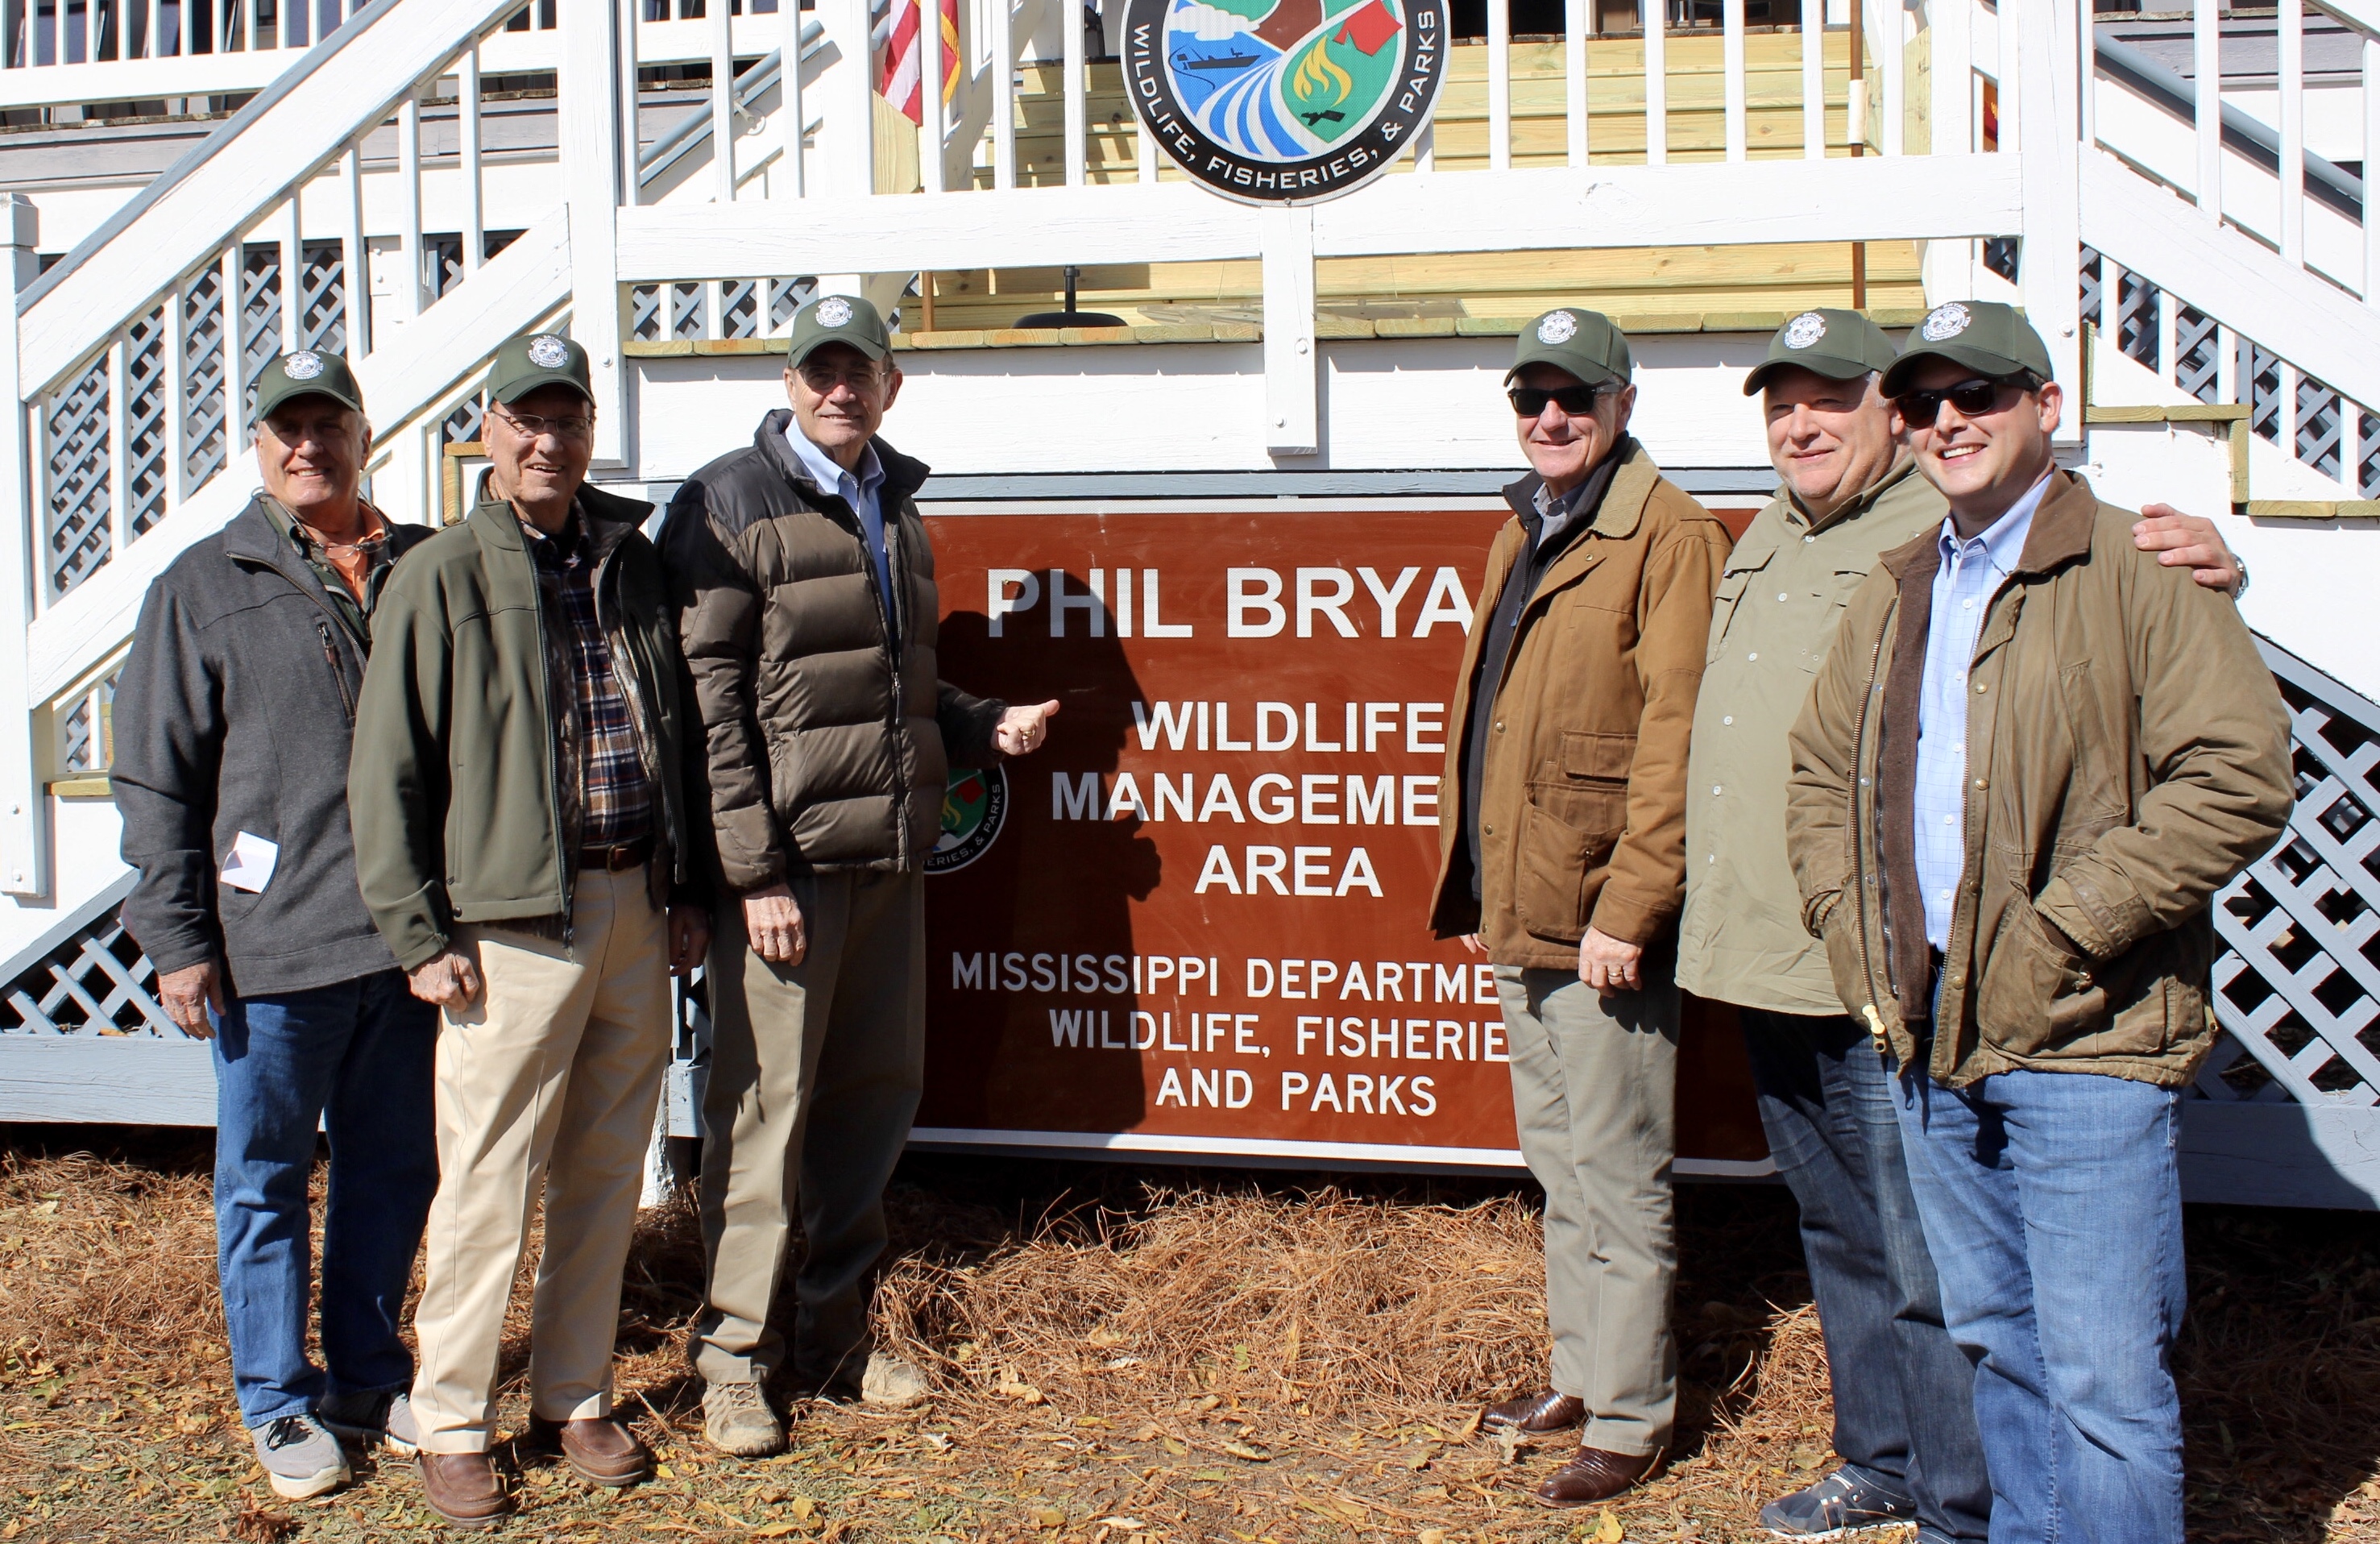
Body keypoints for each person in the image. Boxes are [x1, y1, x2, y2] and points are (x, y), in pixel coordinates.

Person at [1681, 312, 2244, 1542]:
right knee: (1995, 1344)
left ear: (2045, 401)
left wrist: (2061, 932)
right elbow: (1823, 772)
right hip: (1925, 1028)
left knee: (2102, 1382)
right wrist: (1853, 931)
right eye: (1927, 397)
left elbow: (2234, 779)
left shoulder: (2142, 564)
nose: (1950, 418)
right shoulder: (1905, 582)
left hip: (2082, 1037)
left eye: (1976, 392)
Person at [663, 293, 1058, 1458]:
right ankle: (734, 1360)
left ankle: (831, 1334)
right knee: (760, 1114)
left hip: (890, 857)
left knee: (869, 1100)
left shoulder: (895, 501)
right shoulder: (727, 501)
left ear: (891, 385)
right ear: (789, 382)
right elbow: (713, 707)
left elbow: (888, 684)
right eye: (818, 371)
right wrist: (752, 872)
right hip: (787, 872)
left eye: (859, 372)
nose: (839, 390)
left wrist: (981, 725)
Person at [348, 332, 713, 1529]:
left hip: (630, 902)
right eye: (525, 420)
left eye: (567, 419)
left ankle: (573, 1394)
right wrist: (417, 932)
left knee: (608, 1169)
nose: (547, 440)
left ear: (589, 429)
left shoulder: (632, 561)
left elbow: (682, 735)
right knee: (488, 1182)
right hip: (506, 927)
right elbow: (387, 770)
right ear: (487, 432)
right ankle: (453, 1417)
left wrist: (687, 889)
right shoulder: (440, 575)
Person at [112, 351, 439, 1500]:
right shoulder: (207, 583)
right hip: (272, 952)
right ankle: (278, 1399)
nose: (309, 446)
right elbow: (155, 778)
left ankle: (364, 1372)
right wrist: (178, 938)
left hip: (407, 946)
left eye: (328, 425)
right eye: (285, 429)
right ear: (257, 445)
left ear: (365, 435)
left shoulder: (422, 566)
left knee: (392, 1171)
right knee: (262, 1179)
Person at [1428, 308, 1732, 1507]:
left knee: (1617, 1171)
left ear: (1621, 407)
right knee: (1557, 1162)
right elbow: (1491, 717)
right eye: (1531, 401)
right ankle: (1575, 1370)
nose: (1549, 419)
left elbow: (1677, 740)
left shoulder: (1669, 536)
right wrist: (1477, 881)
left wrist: (1633, 906)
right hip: (1525, 899)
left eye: (1575, 400)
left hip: (1605, 918)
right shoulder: (1529, 527)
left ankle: (1629, 1410)